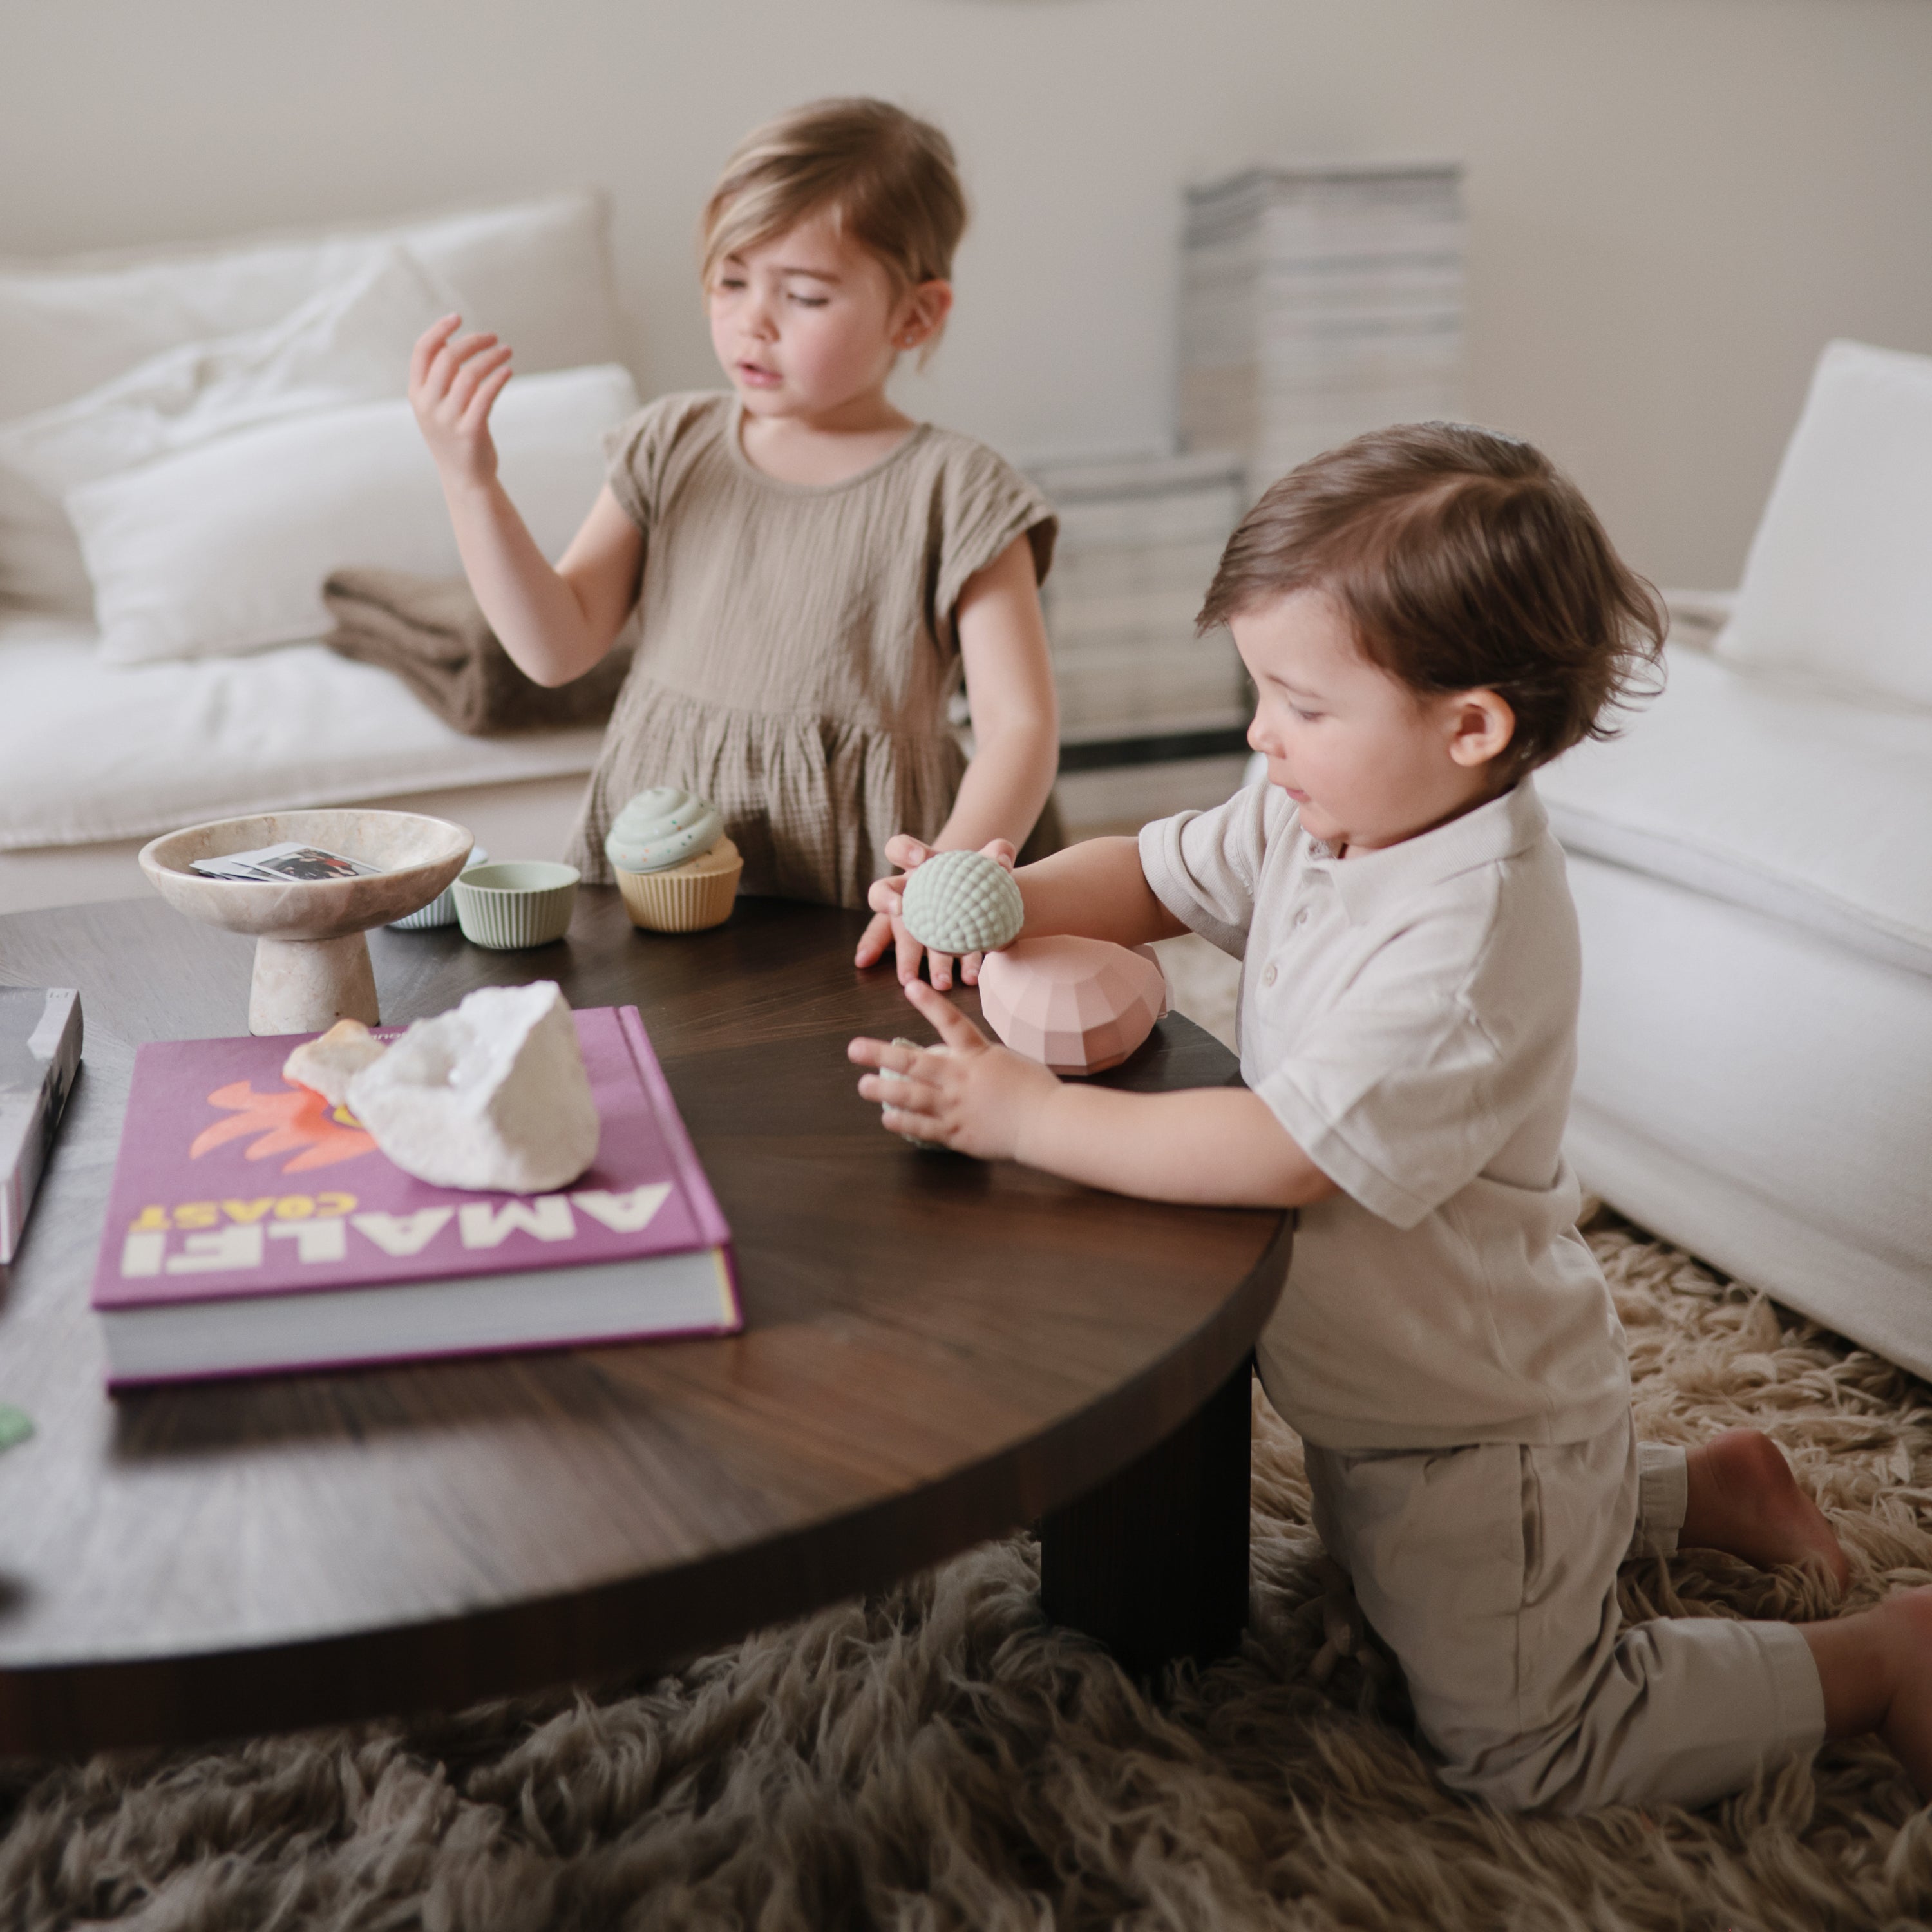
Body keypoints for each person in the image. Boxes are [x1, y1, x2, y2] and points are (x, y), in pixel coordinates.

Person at [849, 421, 1932, 1813]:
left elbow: (1280, 1155)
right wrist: (1000, 893)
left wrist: (1026, 1118)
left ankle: (1877, 1661)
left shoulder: (1464, 950)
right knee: (1393, 1567)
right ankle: (1706, 1489)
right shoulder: (1334, 808)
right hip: (1396, 1393)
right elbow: (1157, 874)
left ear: (1469, 726)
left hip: (1485, 1426)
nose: (1259, 734)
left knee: (1527, 1746)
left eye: (1297, 703)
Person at [408, 98, 1059, 988]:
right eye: (731, 281)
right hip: (656, 856)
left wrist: (942, 879)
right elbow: (555, 646)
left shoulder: (959, 489)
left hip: (863, 882)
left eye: (805, 295)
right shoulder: (670, 445)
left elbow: (1020, 725)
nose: (754, 320)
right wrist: (470, 482)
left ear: (915, 316)